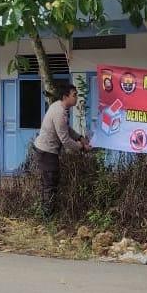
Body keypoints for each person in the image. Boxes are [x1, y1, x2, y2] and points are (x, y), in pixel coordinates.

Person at [33, 83, 90, 217]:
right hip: (46, 152)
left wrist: (80, 137)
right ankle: (47, 216)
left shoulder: (60, 107)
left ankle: (47, 213)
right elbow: (64, 139)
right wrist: (81, 148)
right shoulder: (59, 112)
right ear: (65, 97)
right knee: (50, 183)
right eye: (74, 95)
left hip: (46, 150)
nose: (76, 98)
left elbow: (66, 128)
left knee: (50, 182)